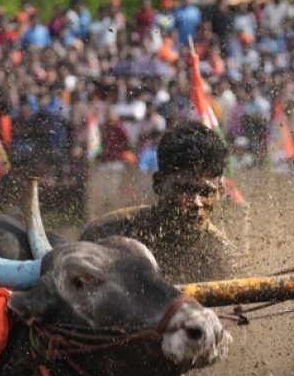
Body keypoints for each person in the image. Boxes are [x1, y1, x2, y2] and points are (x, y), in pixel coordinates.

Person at [78, 120, 238, 283]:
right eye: (183, 189)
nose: (195, 203)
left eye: (206, 192)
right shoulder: (103, 236)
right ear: (158, 184)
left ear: (219, 192)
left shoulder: (224, 259)